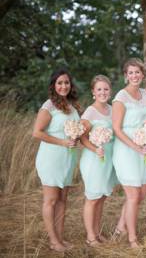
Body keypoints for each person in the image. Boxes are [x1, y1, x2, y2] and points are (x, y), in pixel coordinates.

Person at [32, 68, 80, 252]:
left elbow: (73, 130)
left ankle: (60, 239)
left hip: (67, 158)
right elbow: (37, 132)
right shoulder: (49, 106)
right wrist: (61, 141)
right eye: (59, 83)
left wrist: (75, 138)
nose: (63, 86)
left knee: (62, 200)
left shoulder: (71, 106)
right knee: (51, 200)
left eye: (66, 82)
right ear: (53, 85)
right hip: (51, 157)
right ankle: (53, 242)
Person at [112, 58, 146, 248]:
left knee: (141, 194)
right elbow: (117, 129)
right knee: (133, 196)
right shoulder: (121, 97)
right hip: (127, 150)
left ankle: (120, 227)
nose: (134, 76)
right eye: (130, 73)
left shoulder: (145, 94)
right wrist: (135, 146)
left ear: (142, 74)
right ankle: (132, 239)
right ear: (126, 75)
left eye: (137, 72)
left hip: (143, 149)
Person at [79, 75, 117, 246]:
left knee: (101, 197)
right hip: (94, 159)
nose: (103, 92)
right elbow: (82, 137)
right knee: (92, 197)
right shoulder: (90, 112)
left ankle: (96, 232)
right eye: (99, 89)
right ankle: (90, 237)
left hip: (108, 158)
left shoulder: (112, 109)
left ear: (110, 91)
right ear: (93, 92)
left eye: (106, 89)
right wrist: (95, 149)